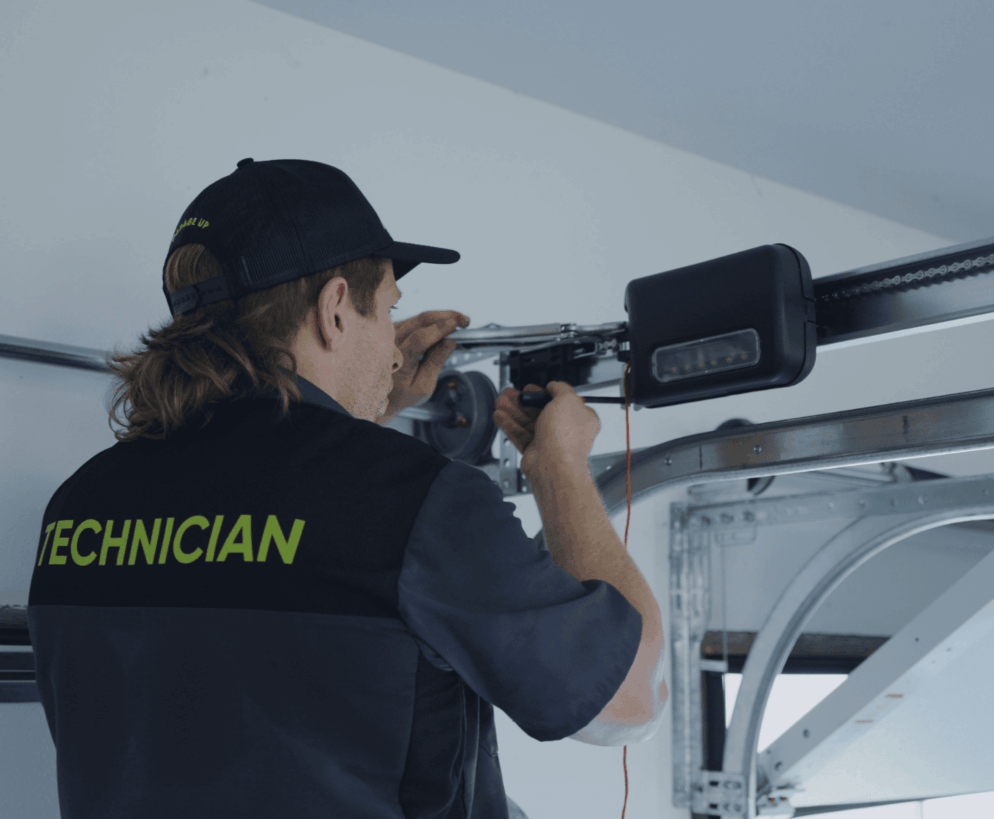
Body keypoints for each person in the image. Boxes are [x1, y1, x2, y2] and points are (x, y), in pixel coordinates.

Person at [26, 158, 643, 818]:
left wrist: (356, 423)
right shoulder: (416, 501)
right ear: (334, 310)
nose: (395, 348)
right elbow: (626, 702)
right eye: (387, 313)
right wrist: (561, 470)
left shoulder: (79, 503)